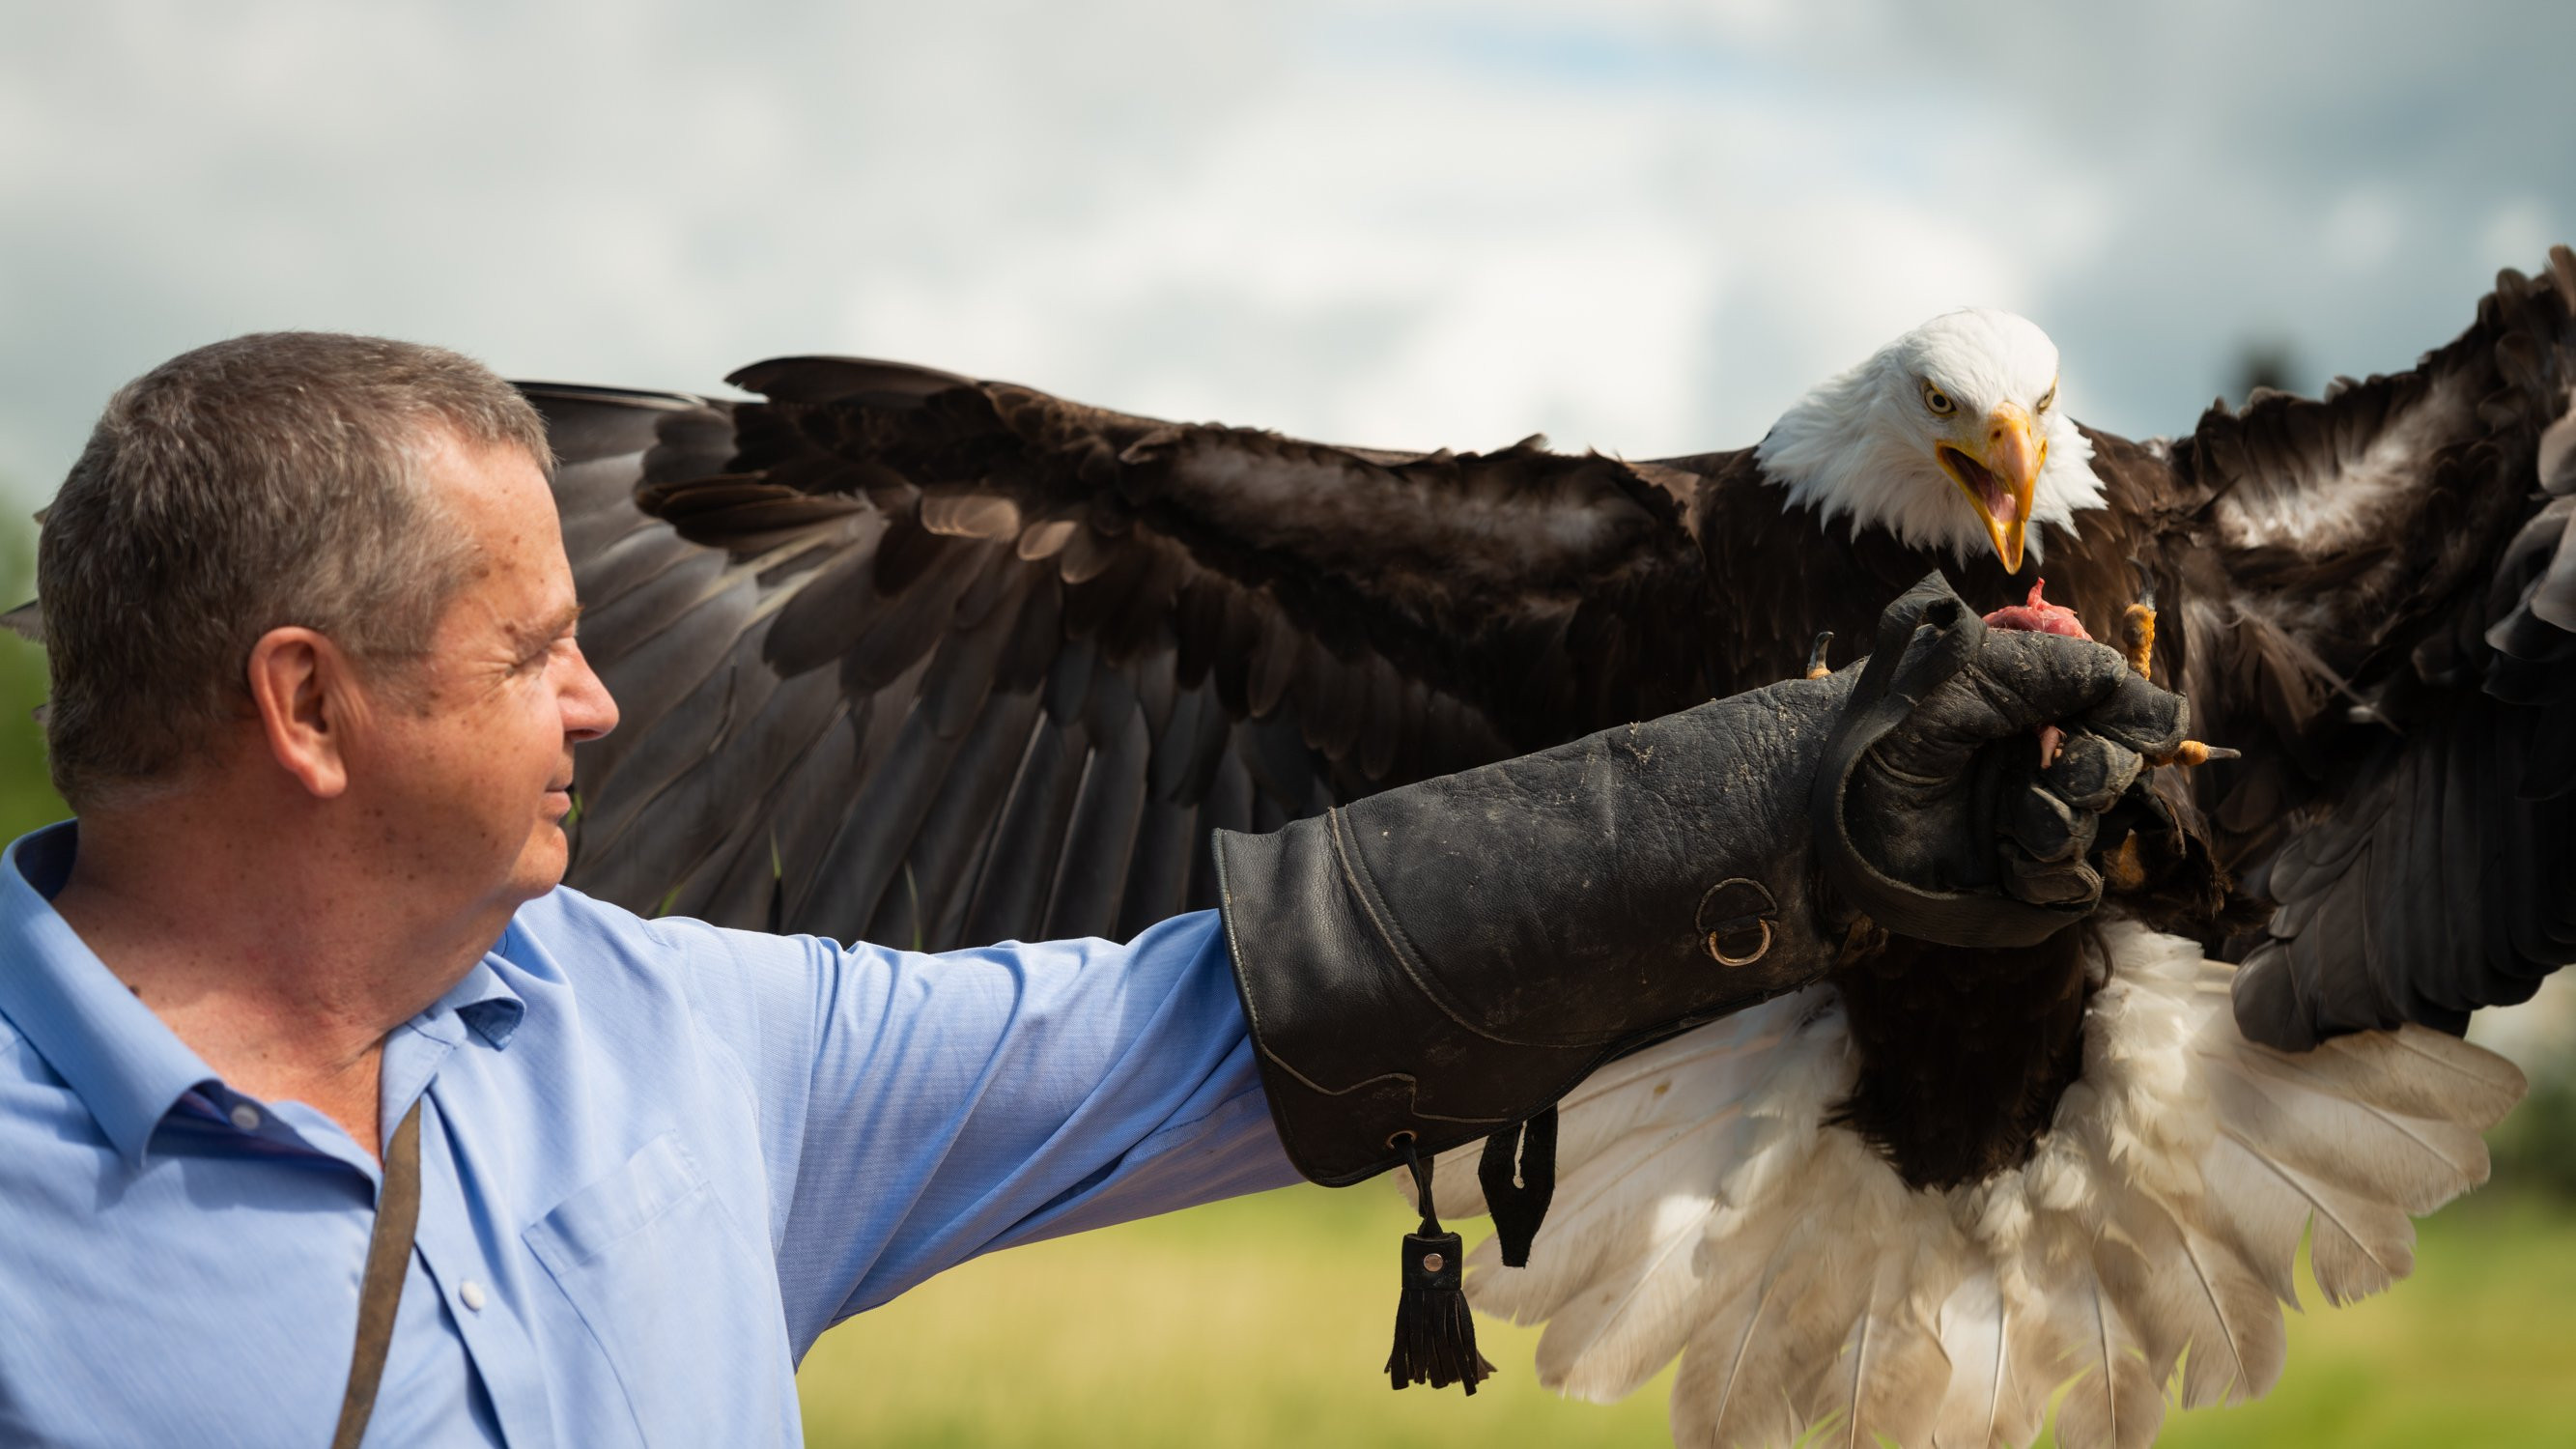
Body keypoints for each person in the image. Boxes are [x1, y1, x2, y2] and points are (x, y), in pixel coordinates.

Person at [0, 333, 2185, 1446]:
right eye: (522, 653)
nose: (600, 703)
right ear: (304, 706)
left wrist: (1796, 808)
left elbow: (1244, 1013)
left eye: (592, 630)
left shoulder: (689, 1043)